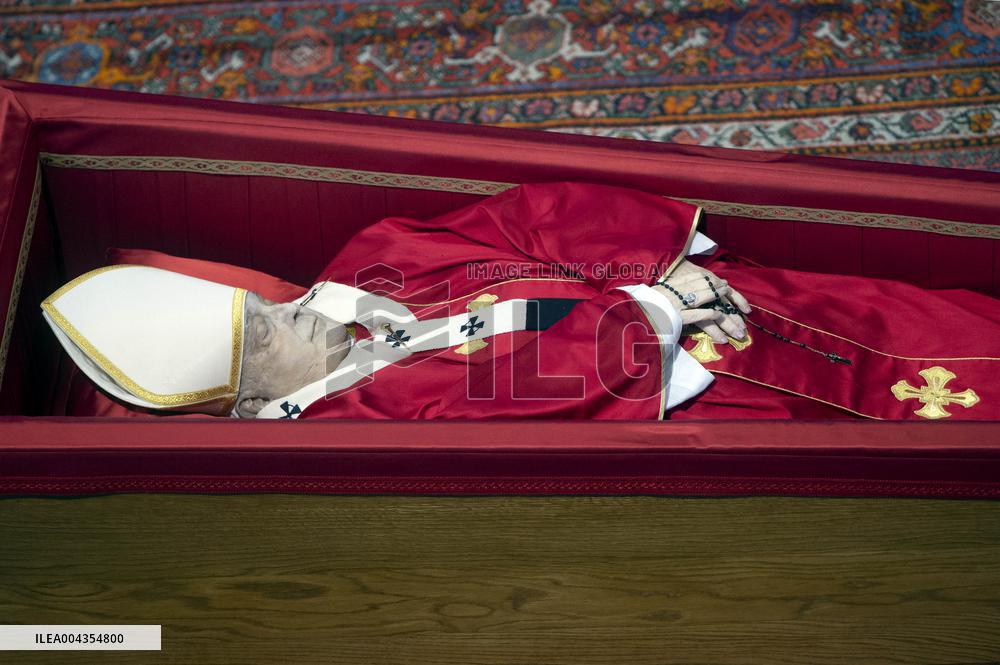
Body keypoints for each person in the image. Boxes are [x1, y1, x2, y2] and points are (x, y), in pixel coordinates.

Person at [41, 182, 1000, 421]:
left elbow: (526, 220)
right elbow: (541, 394)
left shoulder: (368, 262)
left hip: (741, 301)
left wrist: (664, 269)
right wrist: (659, 319)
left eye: (264, 306)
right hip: (707, 396)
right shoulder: (364, 419)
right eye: (267, 341)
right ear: (249, 404)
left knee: (947, 323)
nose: (295, 313)